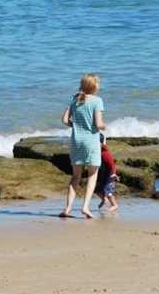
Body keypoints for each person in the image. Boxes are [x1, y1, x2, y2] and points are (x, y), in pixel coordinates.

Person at [59, 73, 106, 219]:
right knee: (92, 175)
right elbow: (98, 124)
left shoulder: (75, 99)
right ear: (94, 87)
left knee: (75, 177)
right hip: (91, 142)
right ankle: (85, 207)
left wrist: (76, 125)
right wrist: (105, 126)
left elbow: (64, 120)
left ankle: (67, 208)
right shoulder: (97, 101)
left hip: (76, 141)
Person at [95, 134, 119, 211]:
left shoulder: (105, 153)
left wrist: (114, 174)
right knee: (97, 190)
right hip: (103, 176)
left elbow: (112, 164)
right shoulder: (98, 152)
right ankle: (104, 199)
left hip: (110, 176)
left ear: (101, 143)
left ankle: (114, 205)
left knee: (109, 192)